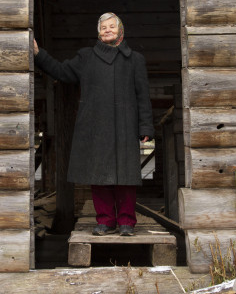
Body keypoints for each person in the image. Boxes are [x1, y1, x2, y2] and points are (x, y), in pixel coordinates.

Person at [33, 12, 154, 236]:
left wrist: (145, 126)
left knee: (126, 177)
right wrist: (39, 54)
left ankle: (127, 222)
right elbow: (62, 72)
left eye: (112, 26)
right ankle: (106, 221)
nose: (107, 30)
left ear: (121, 30)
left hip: (126, 126)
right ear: (98, 32)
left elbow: (143, 96)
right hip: (95, 126)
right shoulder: (86, 57)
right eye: (103, 27)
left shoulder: (135, 59)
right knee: (99, 177)